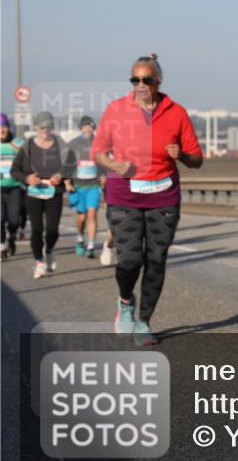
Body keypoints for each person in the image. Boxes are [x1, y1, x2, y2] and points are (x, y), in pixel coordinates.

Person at [91, 54, 203, 345]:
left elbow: (197, 159)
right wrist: (113, 165)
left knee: (156, 260)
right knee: (129, 259)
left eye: (146, 79)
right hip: (124, 194)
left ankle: (144, 321)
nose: (140, 85)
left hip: (163, 196)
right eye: (135, 80)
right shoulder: (116, 110)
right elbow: (98, 151)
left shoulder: (176, 112)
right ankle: (126, 302)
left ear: (158, 81)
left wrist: (182, 155)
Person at [10, 111, 76, 278]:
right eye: (42, 127)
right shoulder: (28, 146)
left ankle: (49, 250)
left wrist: (62, 175)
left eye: (49, 127)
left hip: (54, 193)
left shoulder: (61, 145)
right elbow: (14, 171)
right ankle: (39, 263)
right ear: (36, 128)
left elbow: (71, 166)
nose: (46, 130)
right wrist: (27, 178)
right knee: (37, 229)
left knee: (52, 230)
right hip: (33, 194)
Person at [66, 116, 104, 258]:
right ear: (81, 128)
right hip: (78, 186)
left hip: (94, 185)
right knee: (82, 217)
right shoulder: (73, 144)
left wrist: (104, 175)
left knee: (92, 214)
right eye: (85, 127)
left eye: (91, 126)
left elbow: (103, 161)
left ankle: (91, 246)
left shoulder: (99, 142)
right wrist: (67, 182)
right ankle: (80, 238)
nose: (88, 129)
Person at [1, 113, 24, 260]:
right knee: (0, 219)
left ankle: (12, 236)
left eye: (3, 127)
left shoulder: (17, 143)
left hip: (15, 187)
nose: (1, 130)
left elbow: (28, 160)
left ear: (8, 128)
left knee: (14, 220)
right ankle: (2, 246)